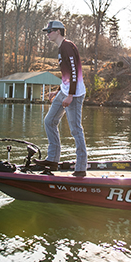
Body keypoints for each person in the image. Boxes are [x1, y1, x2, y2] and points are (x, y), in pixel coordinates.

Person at [39, 20, 87, 177]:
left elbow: (74, 72)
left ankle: (81, 168)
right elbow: (66, 76)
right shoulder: (61, 48)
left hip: (75, 94)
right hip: (65, 91)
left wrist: (71, 95)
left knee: (75, 129)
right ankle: (52, 159)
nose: (47, 34)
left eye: (49, 31)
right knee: (49, 121)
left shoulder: (67, 46)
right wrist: (58, 90)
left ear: (58, 32)